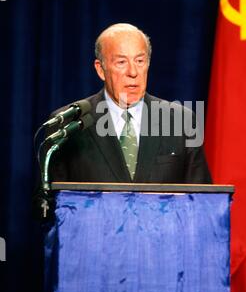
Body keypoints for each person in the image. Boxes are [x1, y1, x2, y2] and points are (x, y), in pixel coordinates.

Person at [48, 23, 211, 184]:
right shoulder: (69, 123)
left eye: (140, 61)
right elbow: (54, 203)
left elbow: (201, 200)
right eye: (121, 62)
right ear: (100, 69)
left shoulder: (181, 121)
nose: (133, 72)